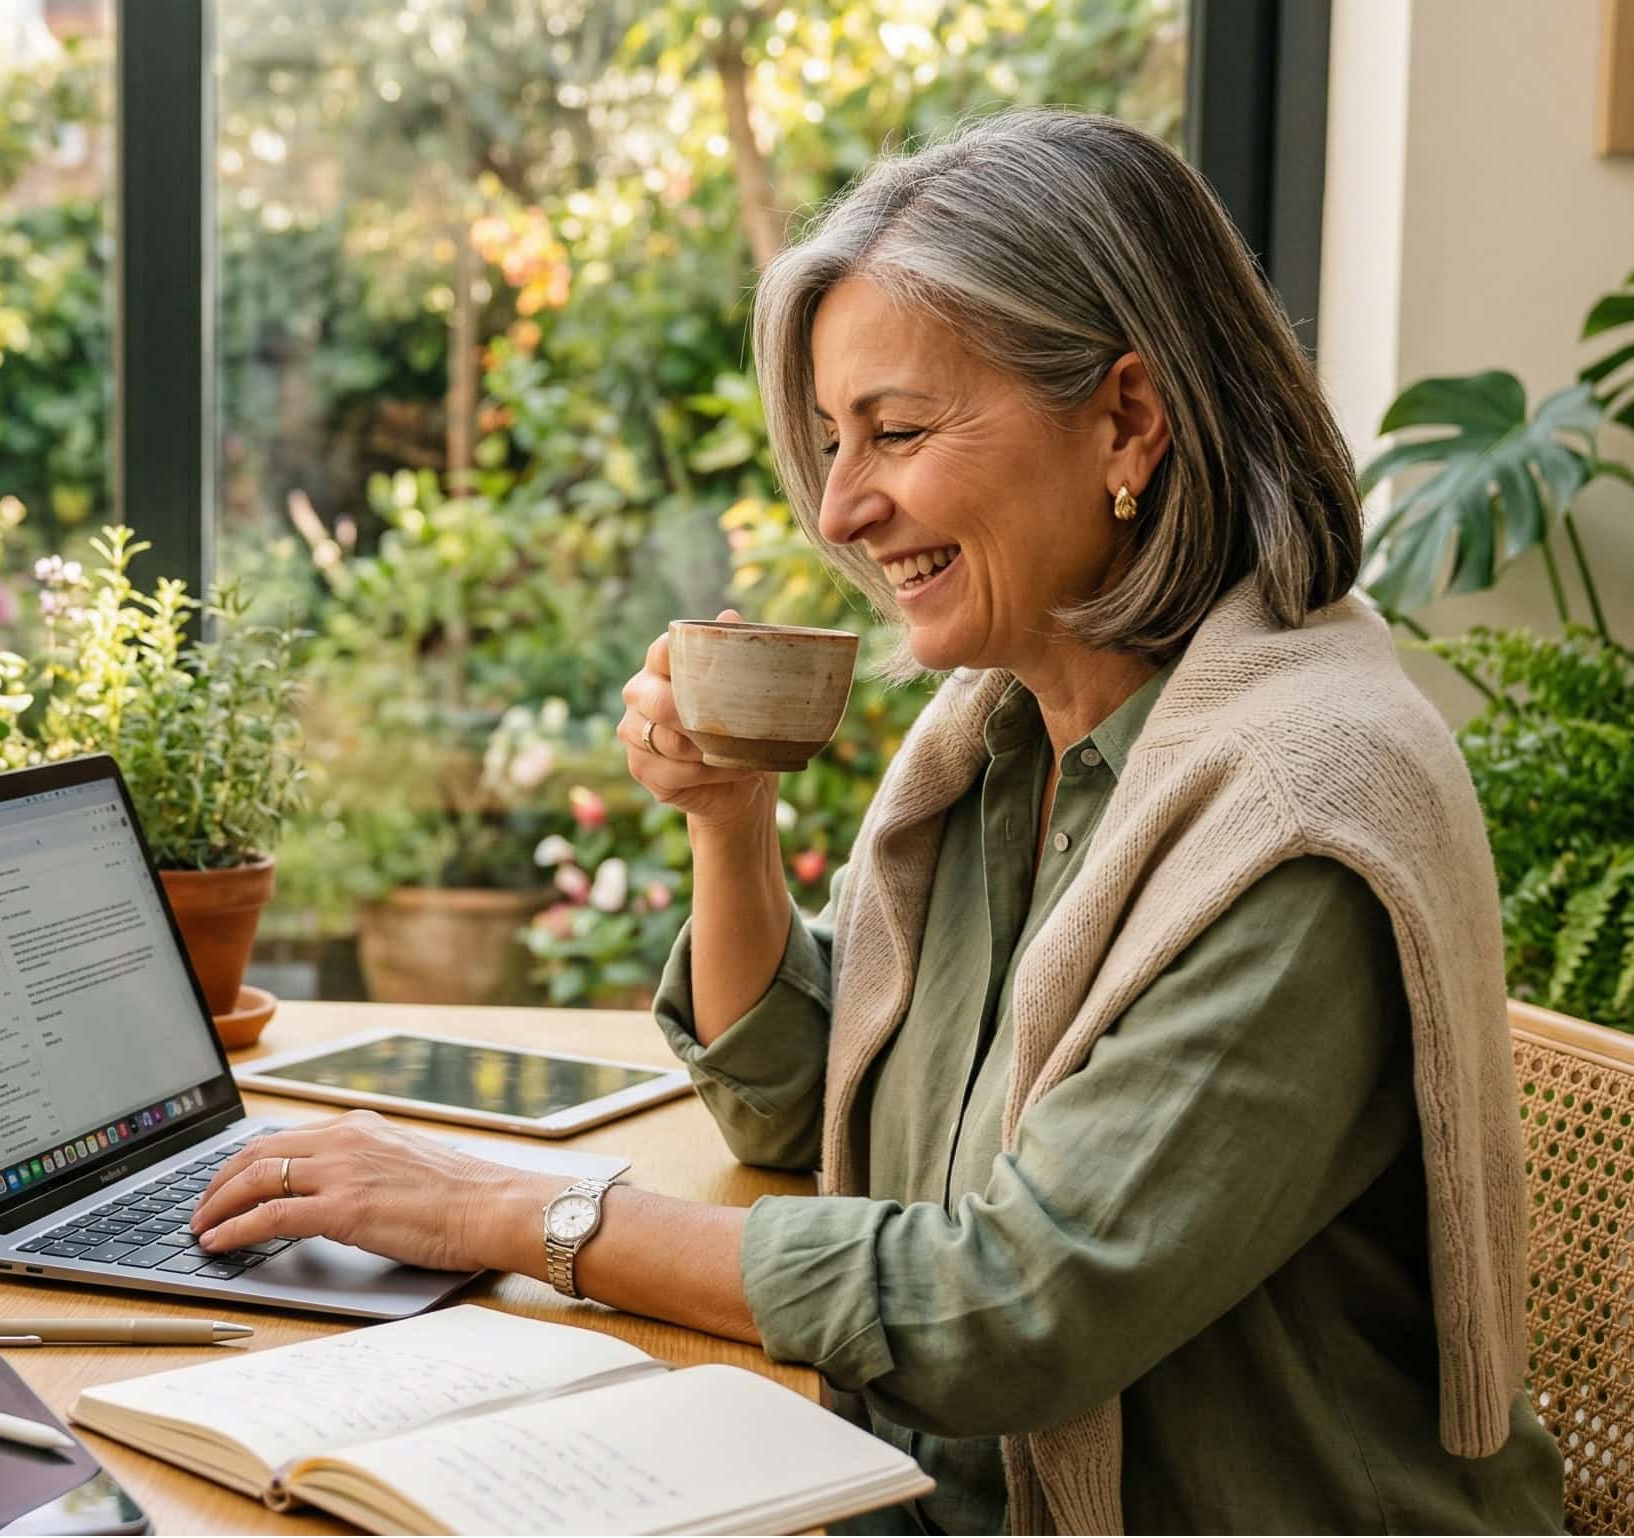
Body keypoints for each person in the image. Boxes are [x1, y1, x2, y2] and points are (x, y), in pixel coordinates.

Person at [187, 107, 1564, 1531]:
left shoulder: (1294, 809)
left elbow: (1014, 1310)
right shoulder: (1007, 736)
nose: (839, 507)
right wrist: (728, 821)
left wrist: (503, 1211)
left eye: (894, 432)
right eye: (834, 440)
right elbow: (795, 1104)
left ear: (1128, 419)